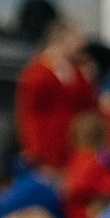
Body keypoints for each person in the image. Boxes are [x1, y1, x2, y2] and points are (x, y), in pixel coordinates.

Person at [16, 20, 98, 169]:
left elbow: (88, 105)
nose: (81, 43)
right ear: (62, 39)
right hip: (46, 146)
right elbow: (29, 113)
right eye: (76, 38)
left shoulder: (78, 71)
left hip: (73, 145)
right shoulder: (36, 72)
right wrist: (33, 148)